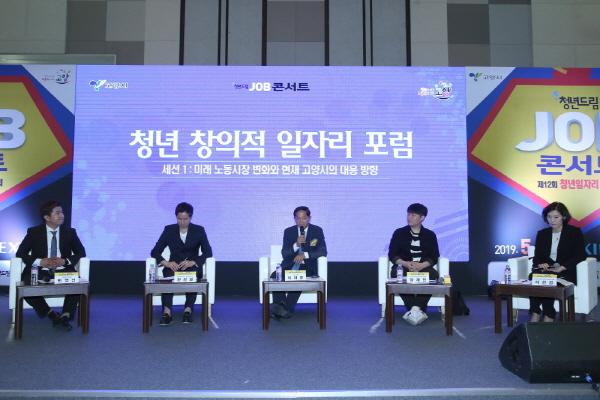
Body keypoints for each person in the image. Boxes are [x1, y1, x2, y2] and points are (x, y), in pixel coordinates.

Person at [15, 200, 86, 331]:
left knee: (76, 285)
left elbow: (81, 252)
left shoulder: (70, 232)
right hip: (39, 270)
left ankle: (65, 315)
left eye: (62, 212)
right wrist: (39, 261)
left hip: (62, 269)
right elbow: (20, 253)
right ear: (47, 217)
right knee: (26, 287)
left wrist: (65, 261)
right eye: (57, 213)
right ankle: (51, 313)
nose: (62, 215)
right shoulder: (34, 232)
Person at [151, 202, 213, 326]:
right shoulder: (169, 230)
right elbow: (155, 251)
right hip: (173, 268)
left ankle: (188, 310)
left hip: (191, 267)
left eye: (185, 219)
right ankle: (167, 312)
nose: (182, 222)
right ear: (176, 217)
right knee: (168, 277)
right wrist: (167, 263)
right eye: (179, 219)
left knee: (193, 276)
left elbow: (208, 252)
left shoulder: (199, 230)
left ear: (190, 217)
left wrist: (193, 262)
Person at [529, 202, 586, 322]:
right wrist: (540, 264)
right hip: (547, 270)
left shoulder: (574, 232)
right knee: (534, 277)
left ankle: (549, 315)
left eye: (556, 217)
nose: (552, 220)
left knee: (548, 279)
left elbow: (580, 255)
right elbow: (537, 256)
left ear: (563, 217)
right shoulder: (542, 234)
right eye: (549, 217)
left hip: (566, 271)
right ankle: (535, 312)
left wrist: (563, 267)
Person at [270, 206, 327, 320]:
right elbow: (285, 253)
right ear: (295, 219)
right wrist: (296, 245)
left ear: (309, 218)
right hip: (290, 264)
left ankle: (283, 309)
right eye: (298, 218)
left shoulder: (317, 230)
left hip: (308, 266)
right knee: (275, 276)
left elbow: (323, 251)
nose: (301, 221)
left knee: (298, 277)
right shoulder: (289, 231)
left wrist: (305, 255)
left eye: (304, 218)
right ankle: (282, 307)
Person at [388, 203, 440, 326]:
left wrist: (421, 265)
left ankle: (415, 308)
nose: (409, 217)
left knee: (433, 275)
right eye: (408, 214)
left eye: (413, 215)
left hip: (423, 267)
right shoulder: (399, 233)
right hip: (404, 266)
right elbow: (392, 254)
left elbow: (434, 256)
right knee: (397, 273)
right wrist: (405, 263)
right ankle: (416, 308)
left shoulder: (430, 235)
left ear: (422, 218)